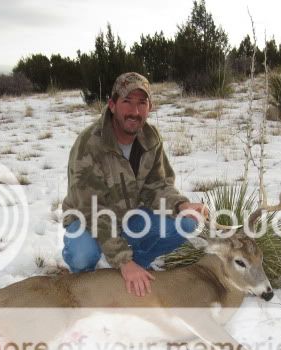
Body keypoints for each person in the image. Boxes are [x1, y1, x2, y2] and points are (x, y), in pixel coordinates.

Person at [61, 72, 207, 297]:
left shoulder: (150, 138)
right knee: (83, 254)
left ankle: (137, 266)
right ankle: (89, 279)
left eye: (142, 103)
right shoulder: (89, 144)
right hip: (89, 218)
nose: (135, 111)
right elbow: (92, 211)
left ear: (150, 107)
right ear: (112, 105)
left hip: (130, 215)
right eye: (127, 102)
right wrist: (122, 261)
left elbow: (157, 186)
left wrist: (180, 205)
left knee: (186, 224)